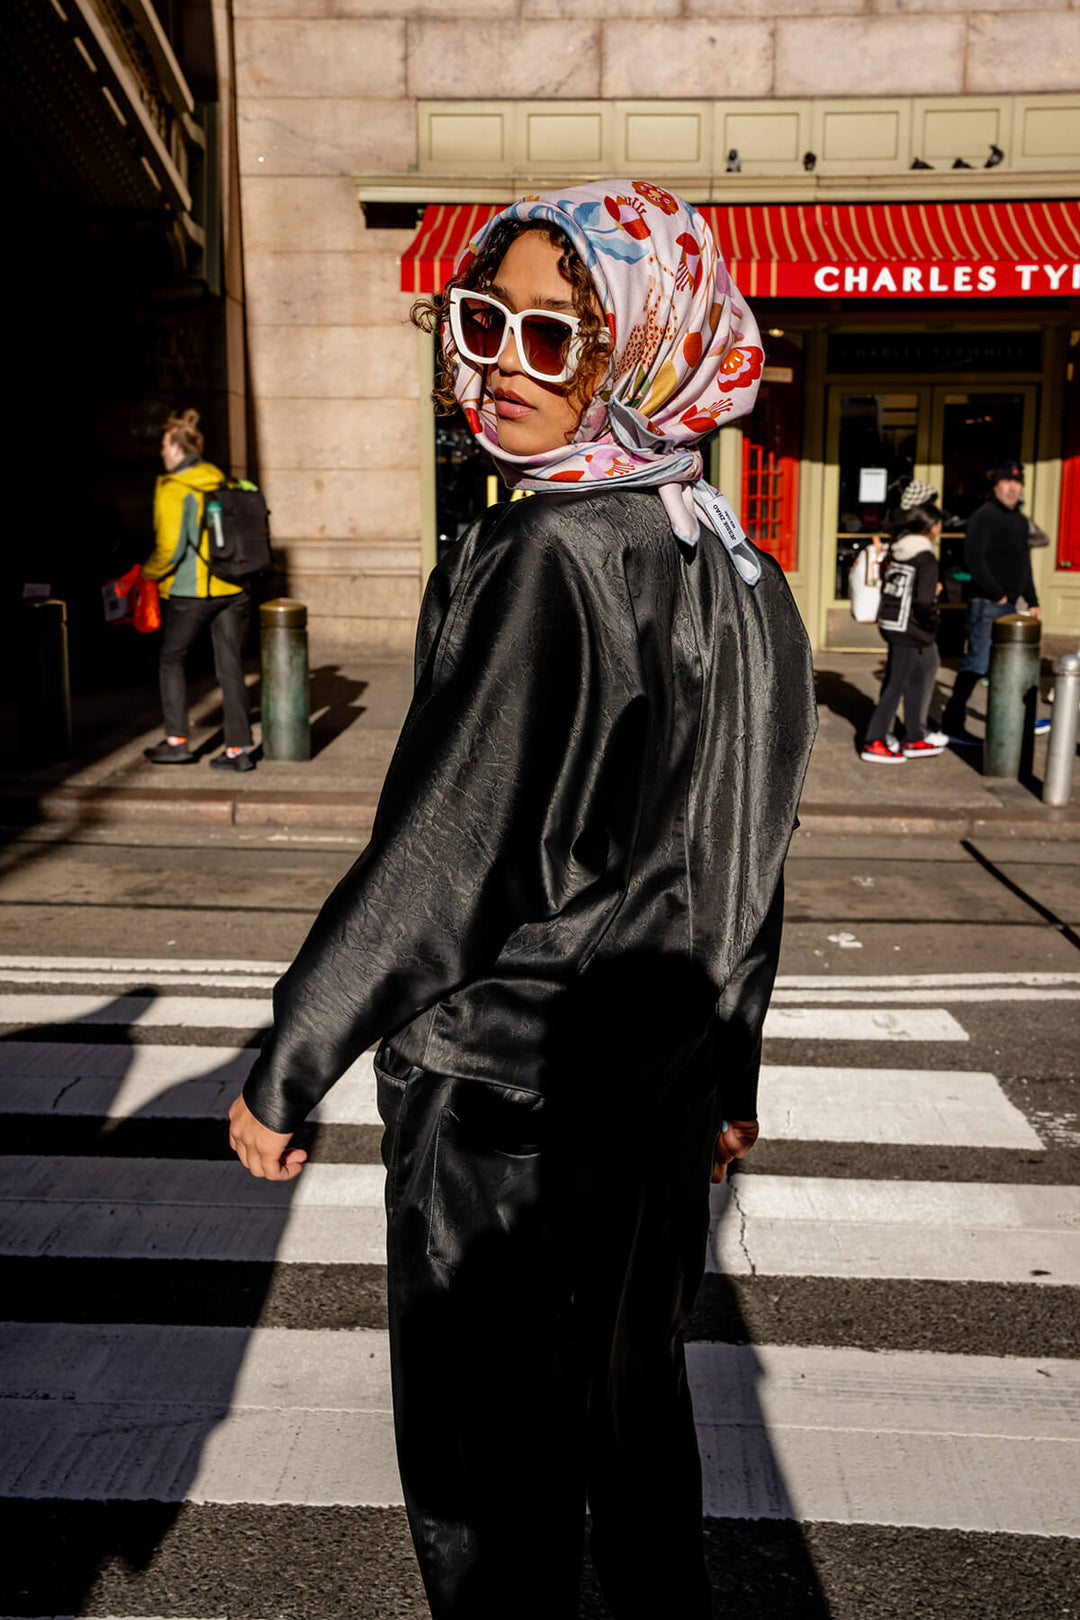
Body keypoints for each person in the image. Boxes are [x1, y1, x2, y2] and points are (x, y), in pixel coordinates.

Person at [227, 182, 816, 1619]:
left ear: (643, 349)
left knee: (494, 1474)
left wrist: (291, 1060)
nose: (497, 358)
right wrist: (730, 1064)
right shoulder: (737, 567)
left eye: (553, 336)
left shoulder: (552, 553)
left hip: (510, 1104)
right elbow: (748, 853)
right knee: (633, 1420)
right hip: (657, 1101)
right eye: (479, 322)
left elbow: (448, 854)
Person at [141, 409, 255, 771]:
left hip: (194, 592)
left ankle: (177, 741)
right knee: (230, 665)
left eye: (164, 444)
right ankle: (238, 752)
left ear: (176, 447)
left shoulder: (175, 489)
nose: (161, 452)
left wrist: (147, 573)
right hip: (234, 587)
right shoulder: (219, 478)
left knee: (171, 658)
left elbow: (171, 549)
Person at [941, 460, 1041, 744]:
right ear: (995, 486)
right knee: (977, 663)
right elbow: (974, 559)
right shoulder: (983, 517)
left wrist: (1032, 599)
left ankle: (1016, 719)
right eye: (1007, 482)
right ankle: (952, 723)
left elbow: (1025, 562)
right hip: (986, 603)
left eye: (1017, 483)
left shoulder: (1020, 521)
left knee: (1009, 666)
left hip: (1010, 605)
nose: (1012, 488)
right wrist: (997, 593)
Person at [861, 500, 945, 763]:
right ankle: (873, 741)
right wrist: (932, 619)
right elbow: (923, 601)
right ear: (931, 527)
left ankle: (913, 736)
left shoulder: (899, 550)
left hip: (892, 622)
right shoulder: (926, 558)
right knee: (895, 685)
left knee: (916, 678)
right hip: (910, 628)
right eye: (939, 522)